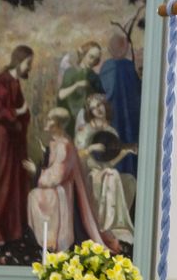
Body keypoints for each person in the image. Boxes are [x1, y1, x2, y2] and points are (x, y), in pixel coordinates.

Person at [27, 108, 120, 254]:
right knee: (34, 195)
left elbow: (57, 175)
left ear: (58, 124)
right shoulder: (55, 142)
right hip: (55, 186)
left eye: (50, 119)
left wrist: (36, 172)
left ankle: (51, 242)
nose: (47, 121)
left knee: (35, 196)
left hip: (62, 191)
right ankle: (44, 242)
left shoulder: (64, 145)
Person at [0, 45, 33, 246]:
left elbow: (21, 109)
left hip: (14, 138)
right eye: (28, 63)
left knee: (15, 179)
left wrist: (22, 117)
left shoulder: (14, 82)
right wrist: (18, 113)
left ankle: (12, 230)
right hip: (2, 137)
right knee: (3, 178)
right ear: (19, 61)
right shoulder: (0, 82)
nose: (29, 67)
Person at [75, 93, 137, 247]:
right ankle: (105, 226)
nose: (98, 109)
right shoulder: (85, 130)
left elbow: (109, 162)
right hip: (89, 174)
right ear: (90, 112)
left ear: (105, 105)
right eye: (93, 108)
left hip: (104, 172)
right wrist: (91, 148)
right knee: (111, 175)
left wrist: (125, 152)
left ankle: (117, 224)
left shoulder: (111, 131)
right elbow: (76, 156)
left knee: (129, 180)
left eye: (99, 105)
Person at [99, 24, 142, 175]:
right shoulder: (128, 66)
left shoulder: (107, 67)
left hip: (115, 114)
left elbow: (105, 91)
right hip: (127, 115)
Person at [58, 41, 105, 135]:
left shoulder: (94, 76)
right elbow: (61, 95)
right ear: (83, 55)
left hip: (89, 118)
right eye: (91, 57)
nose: (93, 61)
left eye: (96, 59)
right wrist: (77, 85)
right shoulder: (71, 72)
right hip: (71, 118)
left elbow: (102, 96)